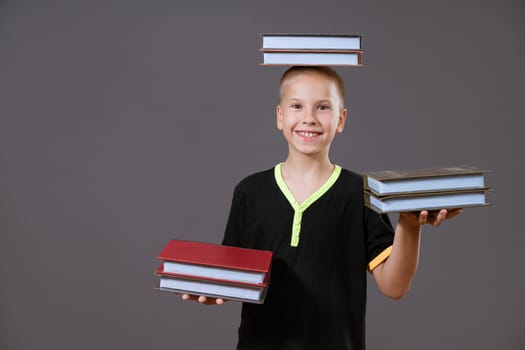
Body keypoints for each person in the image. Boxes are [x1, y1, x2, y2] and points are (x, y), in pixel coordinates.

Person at [183, 66, 461, 349]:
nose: (309, 118)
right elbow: (234, 275)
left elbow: (394, 286)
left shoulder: (362, 193)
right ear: (280, 116)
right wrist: (209, 288)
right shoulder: (249, 191)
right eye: (296, 106)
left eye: (323, 107)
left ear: (341, 119)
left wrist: (410, 225)